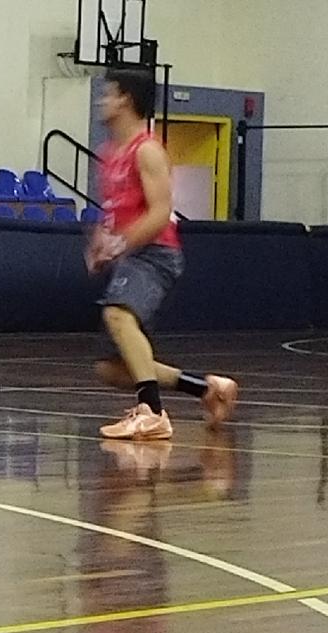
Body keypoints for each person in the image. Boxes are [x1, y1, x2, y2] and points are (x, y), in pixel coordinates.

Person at [88, 71, 239, 441]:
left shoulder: (147, 150)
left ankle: (152, 413)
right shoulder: (110, 155)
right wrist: (100, 241)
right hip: (132, 256)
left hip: (156, 254)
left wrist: (120, 243)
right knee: (112, 368)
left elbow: (159, 213)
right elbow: (115, 211)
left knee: (117, 315)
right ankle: (208, 389)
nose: (101, 101)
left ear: (125, 99)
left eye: (108, 94)